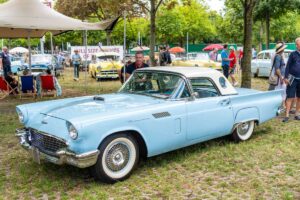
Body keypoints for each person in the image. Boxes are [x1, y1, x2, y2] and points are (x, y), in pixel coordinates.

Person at [283, 38, 300, 122]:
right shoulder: (293, 54)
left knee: (299, 97)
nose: (298, 46)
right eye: (298, 44)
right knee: (290, 96)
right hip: (292, 78)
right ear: (296, 45)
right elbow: (288, 66)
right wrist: (286, 77)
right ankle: (287, 115)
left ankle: (297, 114)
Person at [268, 42, 287, 109]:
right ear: (281, 49)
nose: (284, 49)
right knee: (281, 91)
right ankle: (279, 106)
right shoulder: (278, 57)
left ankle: (281, 105)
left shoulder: (279, 56)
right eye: (283, 48)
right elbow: (277, 69)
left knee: (281, 91)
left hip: (280, 77)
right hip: (279, 78)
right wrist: (281, 78)